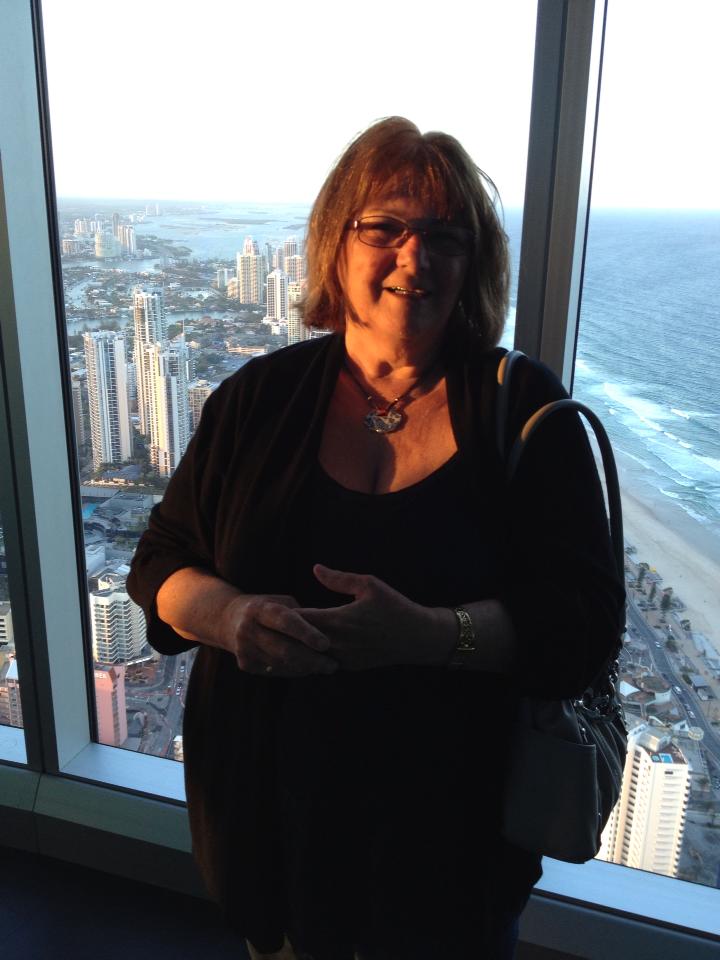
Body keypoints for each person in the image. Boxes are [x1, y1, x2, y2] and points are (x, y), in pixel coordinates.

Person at [127, 117, 625, 960]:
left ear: (473, 265)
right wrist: (233, 616)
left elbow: (582, 631)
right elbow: (161, 564)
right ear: (335, 243)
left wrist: (431, 636)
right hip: (270, 835)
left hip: (448, 852)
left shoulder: (527, 412)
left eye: (444, 237)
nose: (414, 258)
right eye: (385, 227)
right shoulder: (257, 400)